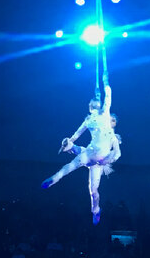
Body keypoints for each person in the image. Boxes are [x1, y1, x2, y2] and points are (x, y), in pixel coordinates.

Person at [43, 83, 121, 224]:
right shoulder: (90, 120)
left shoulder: (113, 136)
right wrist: (68, 142)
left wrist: (106, 83)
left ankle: (96, 210)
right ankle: (54, 178)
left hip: (99, 161)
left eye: (113, 121)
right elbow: (77, 133)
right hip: (90, 153)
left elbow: (117, 154)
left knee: (93, 191)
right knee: (72, 164)